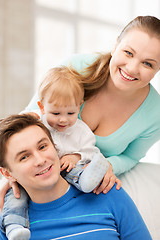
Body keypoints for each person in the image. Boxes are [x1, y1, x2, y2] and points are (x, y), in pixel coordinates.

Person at [25, 15, 160, 194]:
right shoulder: (75, 68)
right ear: (115, 46)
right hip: (38, 172)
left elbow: (131, 156)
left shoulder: (155, 114)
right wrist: (15, 171)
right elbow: (29, 117)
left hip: (84, 186)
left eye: (147, 64)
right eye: (128, 53)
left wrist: (107, 165)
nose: (132, 68)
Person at [0, 114, 152, 240]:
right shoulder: (12, 226)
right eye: (24, 157)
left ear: (55, 147)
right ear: (8, 174)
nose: (40, 160)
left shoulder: (106, 191)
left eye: (43, 146)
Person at [0, 66, 112, 240]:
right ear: (42, 107)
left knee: (77, 168)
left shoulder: (81, 131)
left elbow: (90, 150)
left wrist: (76, 156)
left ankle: (86, 181)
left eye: (70, 113)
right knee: (16, 195)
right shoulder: (36, 120)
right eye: (55, 113)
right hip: (34, 181)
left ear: (79, 107)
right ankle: (14, 226)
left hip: (67, 172)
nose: (63, 119)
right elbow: (12, 132)